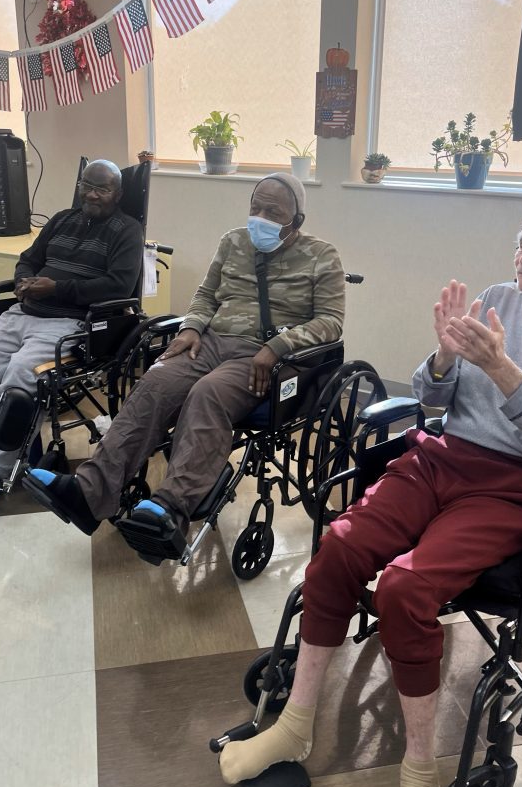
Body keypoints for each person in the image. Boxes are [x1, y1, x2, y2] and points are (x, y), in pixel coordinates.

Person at [216, 200, 522, 787]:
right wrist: (440, 362)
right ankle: (293, 726)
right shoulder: (498, 298)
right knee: (339, 547)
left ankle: (417, 779)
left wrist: (500, 368)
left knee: (406, 589)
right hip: (442, 458)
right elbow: (433, 404)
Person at [24, 172, 345, 544]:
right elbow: (206, 295)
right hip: (209, 340)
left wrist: (278, 347)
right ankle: (88, 492)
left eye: (272, 211)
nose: (260, 217)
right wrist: (191, 327)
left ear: (297, 220)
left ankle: (172, 509)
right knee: (157, 381)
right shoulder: (234, 241)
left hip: (264, 356)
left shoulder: (323, 256)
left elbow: (331, 322)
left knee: (208, 394)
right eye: (255, 207)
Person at [0, 159, 144, 517]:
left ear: (118, 193)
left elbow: (119, 286)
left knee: (21, 372)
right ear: (79, 185)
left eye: (102, 188)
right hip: (24, 312)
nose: (93, 194)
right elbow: (28, 259)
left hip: (73, 323)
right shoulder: (63, 219)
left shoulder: (127, 231)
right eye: (87, 185)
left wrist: (57, 288)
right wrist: (23, 281)